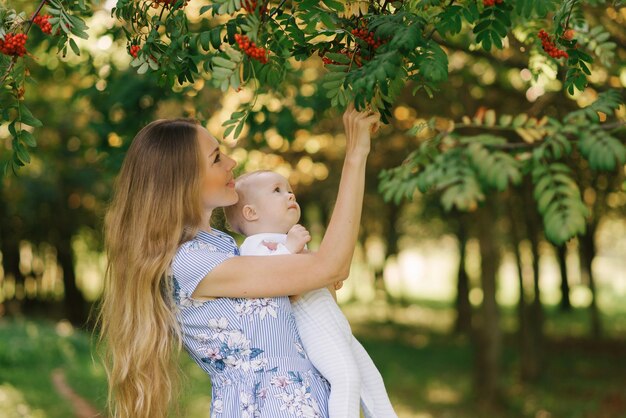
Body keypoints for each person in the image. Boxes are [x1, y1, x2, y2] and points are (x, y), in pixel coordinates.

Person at [99, 104, 380, 418]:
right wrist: (355, 155)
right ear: (184, 179)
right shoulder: (189, 262)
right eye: (217, 158)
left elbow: (318, 289)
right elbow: (332, 266)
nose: (231, 162)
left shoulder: (228, 249)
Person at [223, 170, 398, 418]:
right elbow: (268, 279)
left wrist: (325, 274)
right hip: (314, 327)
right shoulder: (255, 246)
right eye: (277, 190)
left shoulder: (281, 239)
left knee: (371, 379)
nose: (290, 194)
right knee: (346, 377)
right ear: (251, 212)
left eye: (288, 188)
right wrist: (289, 249)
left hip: (334, 322)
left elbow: (312, 272)